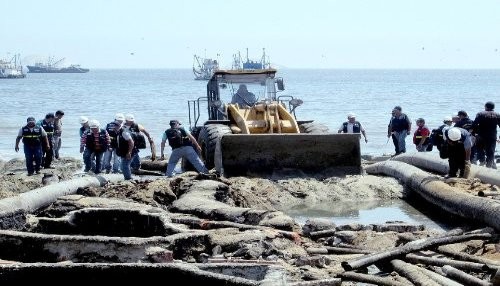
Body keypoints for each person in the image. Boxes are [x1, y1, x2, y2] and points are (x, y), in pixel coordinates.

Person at [472, 101, 500, 169]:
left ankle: (482, 161)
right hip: (492, 136)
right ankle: (489, 165)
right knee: (491, 151)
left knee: (479, 149)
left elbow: (474, 124)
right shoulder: (497, 115)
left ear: (486, 107)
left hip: (481, 135)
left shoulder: (480, 114)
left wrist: (474, 134)